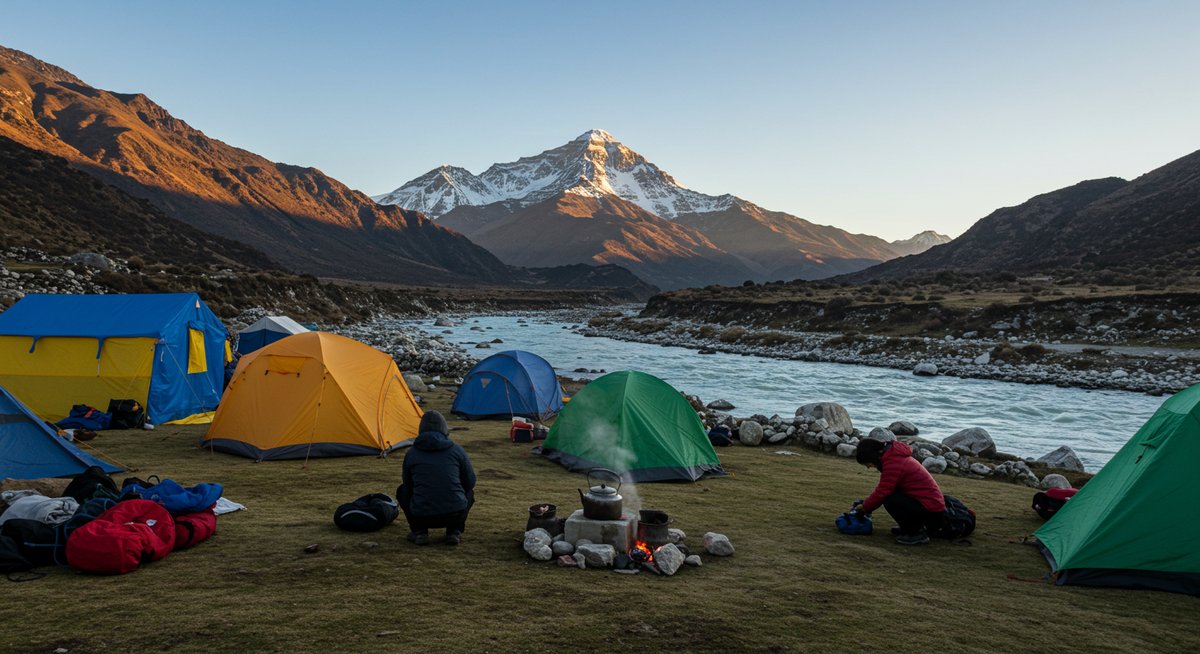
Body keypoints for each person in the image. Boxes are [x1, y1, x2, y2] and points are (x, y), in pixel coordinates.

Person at [398, 411, 476, 546]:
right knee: (469, 493)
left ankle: (419, 531)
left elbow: (408, 485)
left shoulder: (412, 453)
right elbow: (470, 482)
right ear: (445, 428)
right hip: (455, 513)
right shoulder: (457, 450)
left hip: (421, 514)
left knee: (402, 491)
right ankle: (454, 531)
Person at [853, 438, 945, 545]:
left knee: (889, 499)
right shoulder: (894, 458)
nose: (869, 467)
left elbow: (882, 492)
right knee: (893, 495)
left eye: (868, 463)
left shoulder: (894, 463)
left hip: (932, 512)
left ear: (873, 457)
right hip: (930, 507)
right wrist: (866, 505)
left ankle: (916, 533)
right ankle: (909, 527)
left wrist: (864, 508)